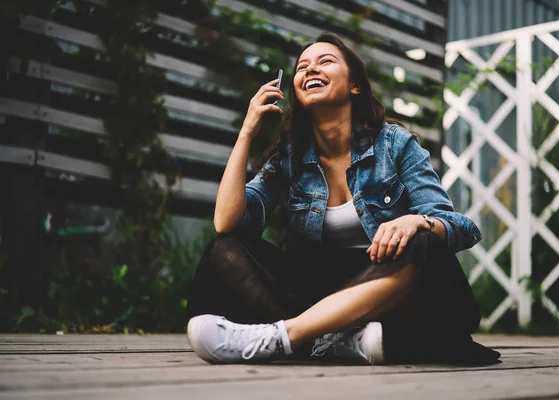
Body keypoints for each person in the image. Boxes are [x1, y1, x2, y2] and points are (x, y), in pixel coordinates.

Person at [186, 32, 500, 366]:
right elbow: (226, 221)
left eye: (325, 62)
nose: (310, 70)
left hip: (388, 290)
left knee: (423, 241)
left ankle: (286, 337)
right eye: (303, 67)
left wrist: (415, 220)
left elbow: (461, 227)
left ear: (355, 86)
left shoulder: (396, 145)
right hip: (316, 293)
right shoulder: (289, 159)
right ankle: (335, 339)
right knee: (225, 249)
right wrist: (247, 131)